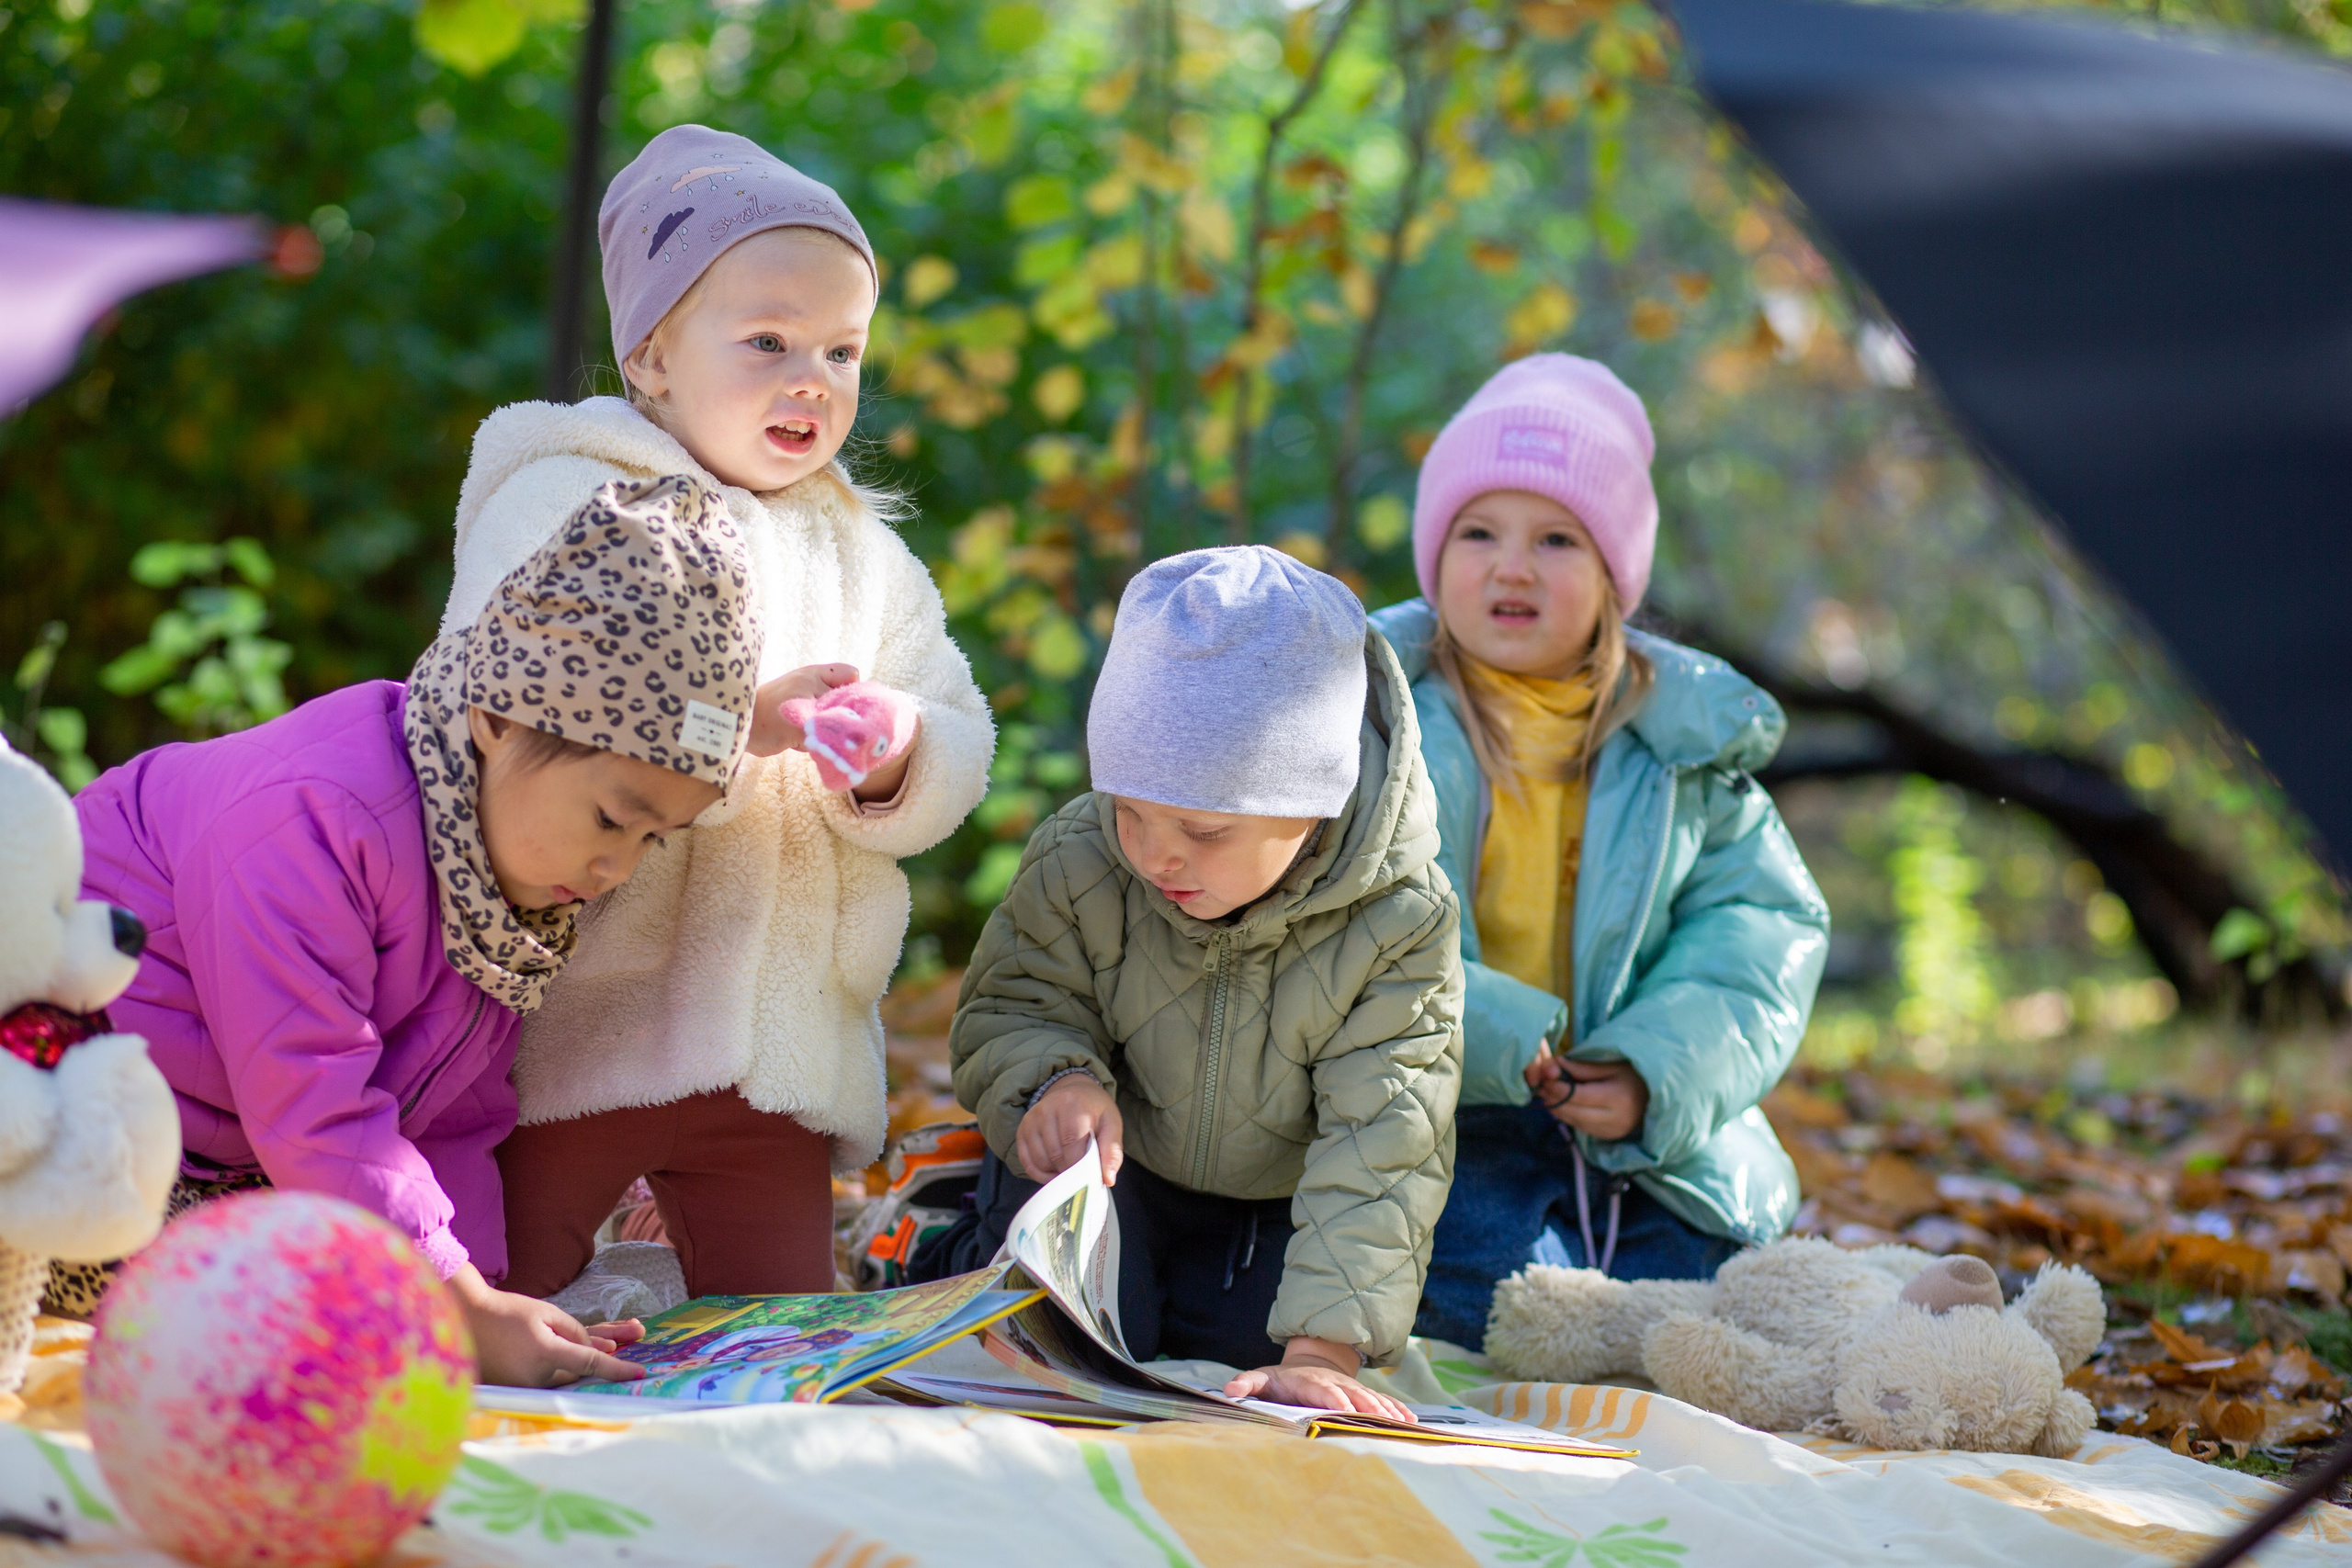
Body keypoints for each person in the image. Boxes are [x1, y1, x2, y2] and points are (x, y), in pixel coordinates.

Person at [441, 126, 993, 1301]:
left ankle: (718, 1391)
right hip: (582, 1024)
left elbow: (956, 721)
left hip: (772, 1050)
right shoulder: (574, 495)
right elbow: (517, 687)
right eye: (769, 342)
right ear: (650, 358)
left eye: (843, 351)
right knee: (509, 1284)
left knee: (781, 1324)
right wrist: (738, 725)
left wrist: (896, 750)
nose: (812, 379)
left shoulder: (864, 556)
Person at [69, 476, 763, 1385]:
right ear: (500, 717)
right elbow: (313, 1099)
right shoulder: (313, 820)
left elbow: (450, 1114)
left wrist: (489, 1293)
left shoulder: (501, 881)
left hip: (228, 1153)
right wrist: (454, 1308)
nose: (618, 869)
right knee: (261, 1325)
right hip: (72, 1115)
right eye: (611, 819)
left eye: (651, 838)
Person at [916, 547, 1463, 1420]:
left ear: (1314, 801)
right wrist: (1055, 1083)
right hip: (1111, 1172)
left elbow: (1386, 1138)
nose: (1154, 854)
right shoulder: (1081, 858)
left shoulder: (1401, 920)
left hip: (1270, 1207)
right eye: (1130, 808)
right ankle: (938, 1249)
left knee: (1249, 1359)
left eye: (1203, 831)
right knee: (1067, 1337)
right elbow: (1017, 1000)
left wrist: (1323, 1348)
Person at [1367, 354, 1830, 1352]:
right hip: (1442, 1104)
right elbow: (1351, 919)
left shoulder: (1681, 748)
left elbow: (1759, 930)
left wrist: (1654, 1070)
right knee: (1463, 1277)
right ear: (1435, 554)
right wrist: (1495, 1031)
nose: (1513, 567)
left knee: (1723, 1263)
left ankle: (1667, 1319)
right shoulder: (1376, 721)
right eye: (1478, 532)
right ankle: (1593, 1325)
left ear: (1615, 576)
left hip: (1627, 1117)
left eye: (1557, 539)